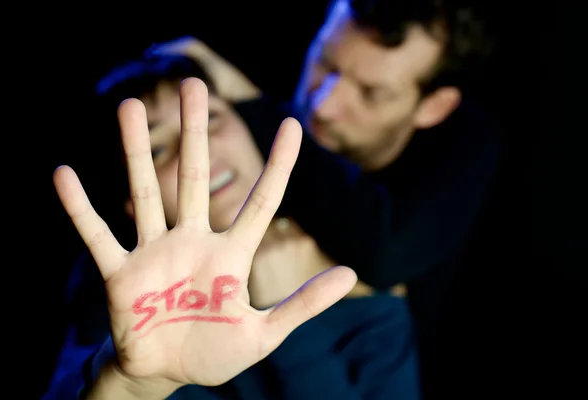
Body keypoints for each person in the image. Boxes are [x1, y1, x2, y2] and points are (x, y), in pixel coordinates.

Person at [150, 0, 502, 396]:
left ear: (434, 107)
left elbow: (384, 256)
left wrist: (256, 108)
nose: (324, 104)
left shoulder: (463, 146)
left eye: (371, 93)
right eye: (324, 62)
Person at [42, 54, 422, 399]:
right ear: (131, 198)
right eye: (157, 149)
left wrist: (296, 334)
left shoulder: (365, 295)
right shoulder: (131, 311)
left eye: (212, 118)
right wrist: (129, 385)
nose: (201, 151)